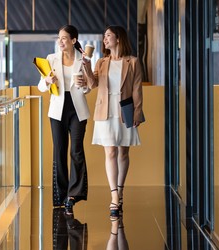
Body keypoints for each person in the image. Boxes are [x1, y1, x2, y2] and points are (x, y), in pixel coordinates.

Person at [82, 25, 145, 220]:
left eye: (108, 35)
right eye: (104, 36)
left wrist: (137, 112)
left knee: (123, 152)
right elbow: (92, 84)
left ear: (119, 38)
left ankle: (120, 190)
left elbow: (137, 89)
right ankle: (114, 196)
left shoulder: (133, 62)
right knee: (110, 151)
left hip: (124, 110)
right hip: (105, 111)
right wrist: (86, 65)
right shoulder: (101, 62)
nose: (105, 39)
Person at [38, 25, 90, 215]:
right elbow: (41, 87)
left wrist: (84, 85)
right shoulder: (51, 59)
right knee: (59, 151)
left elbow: (88, 88)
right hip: (57, 110)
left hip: (77, 109)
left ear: (74, 40)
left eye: (64, 38)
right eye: (59, 38)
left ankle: (73, 195)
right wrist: (47, 82)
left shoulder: (83, 60)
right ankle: (61, 195)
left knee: (76, 151)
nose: (60, 41)